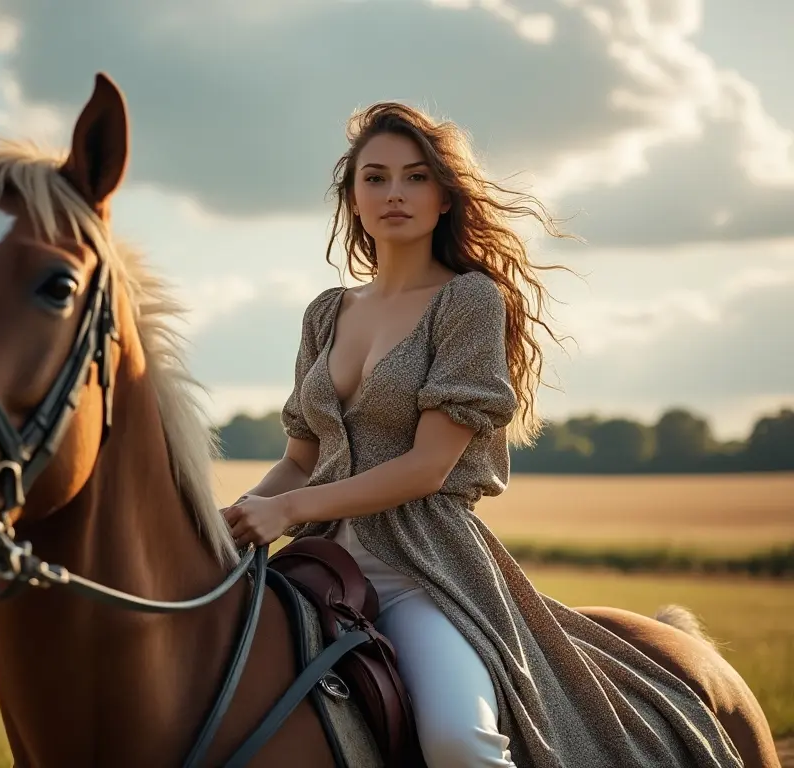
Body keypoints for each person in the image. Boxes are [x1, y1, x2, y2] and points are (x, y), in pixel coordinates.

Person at [222, 103, 741, 768]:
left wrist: (289, 510)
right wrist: (237, 518)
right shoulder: (325, 313)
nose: (394, 194)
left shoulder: (468, 301)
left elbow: (427, 468)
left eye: (414, 178)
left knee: (458, 744)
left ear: (443, 198)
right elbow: (299, 459)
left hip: (421, 571)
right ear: (353, 198)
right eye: (375, 178)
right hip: (316, 566)